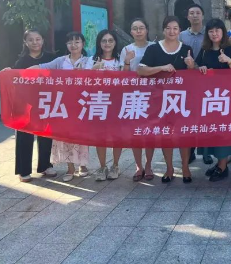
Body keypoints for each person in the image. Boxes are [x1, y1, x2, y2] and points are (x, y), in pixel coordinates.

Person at [29, 32, 92, 182]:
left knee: (82, 136)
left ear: (83, 44)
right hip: (64, 105)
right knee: (66, 137)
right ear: (66, 45)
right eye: (70, 42)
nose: (73, 45)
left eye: (77, 42)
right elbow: (41, 67)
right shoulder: (60, 61)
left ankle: (83, 165)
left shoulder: (89, 61)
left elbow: (96, 77)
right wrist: (16, 72)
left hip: (83, 104)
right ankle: (70, 168)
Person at [138, 16, 194, 184]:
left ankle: (185, 167)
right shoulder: (154, 49)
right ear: (163, 30)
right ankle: (169, 168)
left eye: (175, 28)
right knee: (166, 135)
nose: (172, 31)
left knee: (184, 134)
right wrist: (161, 68)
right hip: (160, 101)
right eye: (168, 28)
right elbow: (141, 70)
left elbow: (194, 76)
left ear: (180, 31)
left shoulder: (187, 49)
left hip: (182, 100)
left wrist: (191, 66)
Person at [192, 18, 231, 182]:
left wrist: (229, 61)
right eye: (211, 31)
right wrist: (199, 67)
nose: (214, 34)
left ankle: (223, 166)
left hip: (226, 99)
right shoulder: (205, 50)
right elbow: (196, 66)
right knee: (211, 131)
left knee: (223, 132)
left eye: (217, 30)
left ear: (223, 32)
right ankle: (219, 163)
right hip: (208, 99)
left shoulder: (229, 50)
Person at [10, 29, 57, 182]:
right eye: (31, 40)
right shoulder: (20, 61)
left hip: (46, 101)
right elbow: (14, 79)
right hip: (26, 103)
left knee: (46, 134)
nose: (35, 42)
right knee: (24, 136)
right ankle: (23, 170)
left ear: (43, 40)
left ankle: (45, 165)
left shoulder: (51, 58)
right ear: (25, 42)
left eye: (38, 39)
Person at [120, 18, 156, 182]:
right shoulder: (126, 49)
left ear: (147, 30)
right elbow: (123, 75)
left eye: (141, 28)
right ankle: (138, 166)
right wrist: (127, 61)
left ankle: (148, 165)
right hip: (133, 96)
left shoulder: (154, 47)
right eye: (135, 28)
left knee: (149, 132)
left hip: (152, 95)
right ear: (131, 32)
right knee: (135, 132)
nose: (139, 31)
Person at [179, 4, 211, 165]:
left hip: (206, 80)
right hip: (187, 82)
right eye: (191, 13)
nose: (195, 16)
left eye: (198, 13)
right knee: (189, 117)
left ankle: (205, 152)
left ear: (203, 16)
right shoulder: (181, 36)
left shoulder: (209, 33)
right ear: (187, 17)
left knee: (205, 116)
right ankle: (189, 151)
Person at [90, 30, 123, 182]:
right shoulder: (91, 60)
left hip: (117, 103)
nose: (107, 43)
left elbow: (127, 79)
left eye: (110, 40)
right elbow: (83, 80)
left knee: (117, 136)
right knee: (100, 136)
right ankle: (102, 166)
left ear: (115, 43)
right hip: (99, 101)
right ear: (99, 43)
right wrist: (93, 69)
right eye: (104, 40)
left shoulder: (120, 60)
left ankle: (115, 165)